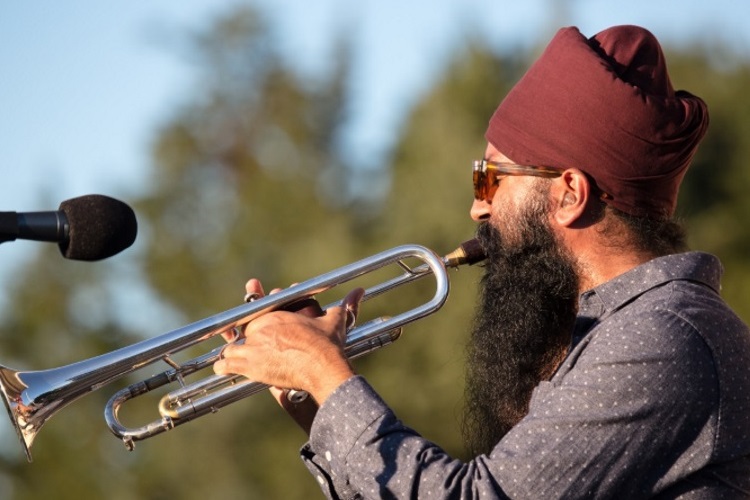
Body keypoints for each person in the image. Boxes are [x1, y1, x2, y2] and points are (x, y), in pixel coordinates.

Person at [214, 25, 750, 498]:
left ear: (569, 194)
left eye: (491, 176)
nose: (477, 204)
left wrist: (325, 373)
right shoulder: (616, 333)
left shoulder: (661, 338)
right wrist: (313, 398)